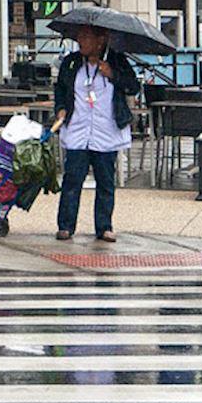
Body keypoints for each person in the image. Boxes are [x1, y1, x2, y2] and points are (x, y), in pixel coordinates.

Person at [51, 22, 140, 242]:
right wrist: (61, 108)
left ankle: (104, 226)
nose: (81, 41)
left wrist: (112, 74)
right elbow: (61, 89)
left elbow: (133, 86)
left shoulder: (117, 60)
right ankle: (66, 225)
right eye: (79, 37)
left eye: (86, 37)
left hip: (105, 130)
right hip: (78, 128)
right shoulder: (71, 63)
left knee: (105, 180)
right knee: (73, 179)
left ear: (100, 40)